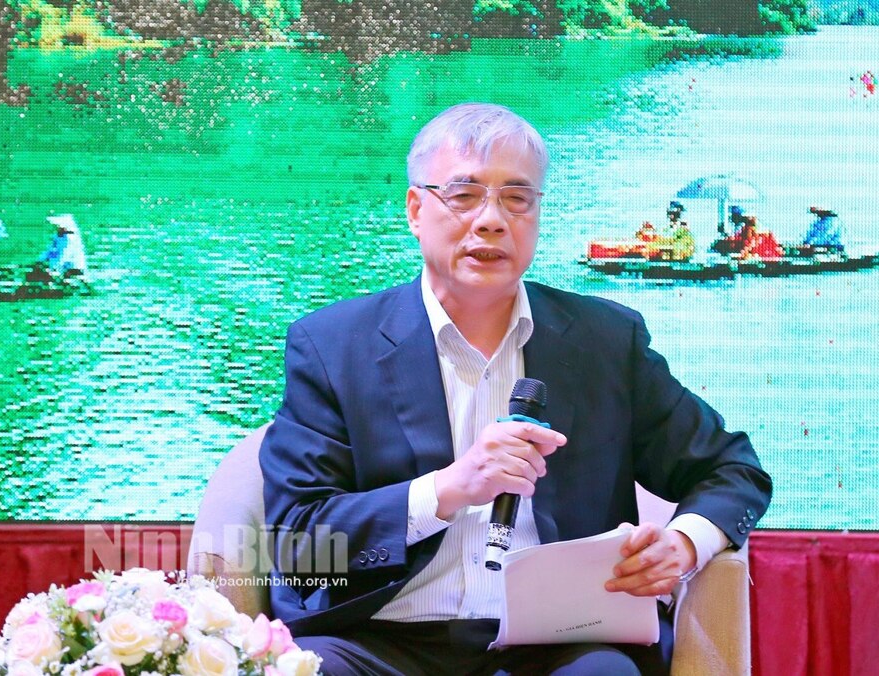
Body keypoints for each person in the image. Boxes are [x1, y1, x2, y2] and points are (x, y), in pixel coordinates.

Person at [259, 103, 772, 676]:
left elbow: (734, 471)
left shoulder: (605, 341)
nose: (491, 220)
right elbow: (297, 541)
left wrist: (684, 546)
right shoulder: (333, 345)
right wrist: (450, 488)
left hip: (560, 645)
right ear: (415, 209)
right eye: (464, 195)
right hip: (378, 640)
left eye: (516, 198)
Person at [32, 214, 87, 279]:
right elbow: (50, 252)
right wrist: (40, 260)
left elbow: (65, 255)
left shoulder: (70, 238)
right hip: (60, 269)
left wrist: (56, 269)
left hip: (72, 271)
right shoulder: (59, 236)